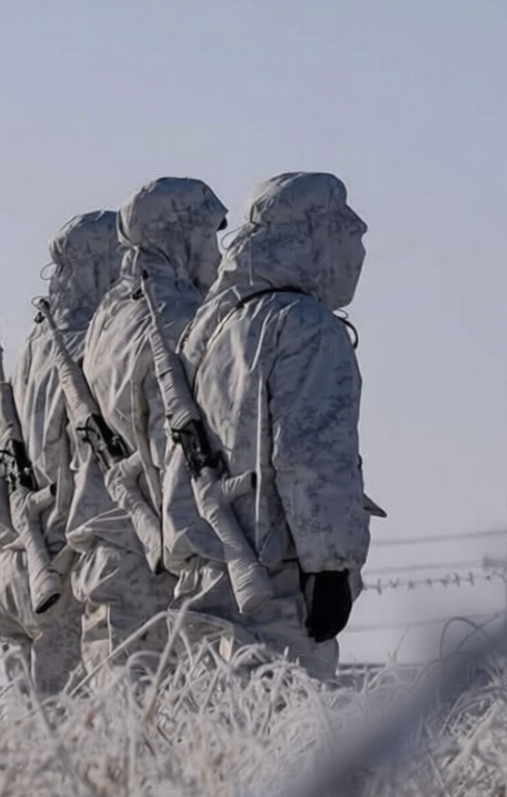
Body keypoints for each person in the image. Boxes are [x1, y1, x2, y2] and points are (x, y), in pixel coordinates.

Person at [159, 171, 382, 680]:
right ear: (312, 236)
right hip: (278, 582)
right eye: (341, 227)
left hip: (210, 575)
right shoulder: (302, 324)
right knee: (286, 743)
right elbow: (311, 454)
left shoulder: (212, 327)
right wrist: (328, 566)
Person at [67, 177, 229, 676]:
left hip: (120, 548)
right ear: (179, 234)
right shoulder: (174, 316)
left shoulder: (111, 315)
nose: (218, 253)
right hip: (159, 558)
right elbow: (177, 444)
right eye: (208, 236)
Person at [0, 209, 122, 697]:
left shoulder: (26, 355)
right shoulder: (94, 349)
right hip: (65, 573)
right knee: (82, 754)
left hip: (15, 574)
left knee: (31, 753)